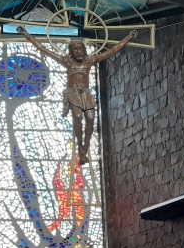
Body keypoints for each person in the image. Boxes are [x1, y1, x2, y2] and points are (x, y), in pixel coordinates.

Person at [16, 26, 138, 164]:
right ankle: (80, 147)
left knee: (91, 118)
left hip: (85, 92)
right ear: (71, 52)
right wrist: (26, 33)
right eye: (75, 49)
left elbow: (113, 50)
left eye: (81, 49)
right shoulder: (67, 61)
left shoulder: (90, 60)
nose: (79, 51)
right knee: (78, 116)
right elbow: (43, 49)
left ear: (84, 50)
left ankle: (84, 150)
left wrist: (129, 37)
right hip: (73, 92)